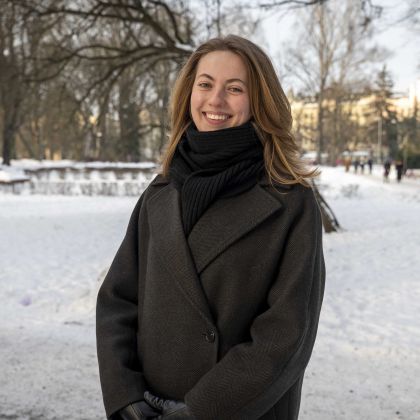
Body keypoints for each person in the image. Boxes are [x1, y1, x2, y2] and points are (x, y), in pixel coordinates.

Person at [96, 35, 325, 420]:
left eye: (234, 89)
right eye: (205, 84)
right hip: (147, 409)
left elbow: (286, 335)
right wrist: (127, 397)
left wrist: (201, 411)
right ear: (189, 92)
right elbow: (118, 300)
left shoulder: (290, 200)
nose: (215, 100)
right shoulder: (160, 191)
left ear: (260, 101)